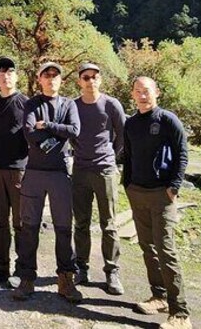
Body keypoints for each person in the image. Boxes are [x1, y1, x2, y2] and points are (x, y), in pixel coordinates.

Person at [123, 76, 191, 329]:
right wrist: (127, 183)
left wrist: (174, 187)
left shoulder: (167, 119)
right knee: (148, 248)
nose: (142, 95)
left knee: (166, 250)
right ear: (133, 94)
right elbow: (128, 155)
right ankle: (159, 296)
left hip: (162, 194)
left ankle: (180, 314)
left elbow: (182, 153)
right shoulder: (131, 123)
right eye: (138, 91)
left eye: (147, 91)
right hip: (137, 192)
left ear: (157, 93)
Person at [13, 62, 82, 303]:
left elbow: (74, 130)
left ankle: (66, 278)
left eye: (55, 75)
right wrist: (57, 133)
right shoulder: (32, 104)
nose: (51, 78)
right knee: (29, 227)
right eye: (47, 75)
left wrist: (48, 126)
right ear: (39, 79)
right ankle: (27, 278)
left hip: (60, 173)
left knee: (63, 228)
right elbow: (29, 133)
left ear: (61, 80)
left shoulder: (69, 104)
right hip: (34, 172)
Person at [71, 62, 126, 295]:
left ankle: (112, 271)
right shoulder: (73, 106)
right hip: (80, 170)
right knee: (81, 222)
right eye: (86, 77)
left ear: (100, 80)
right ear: (79, 81)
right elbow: (71, 134)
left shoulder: (111, 104)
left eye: (94, 77)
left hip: (105, 170)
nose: (90, 81)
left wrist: (110, 155)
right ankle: (81, 267)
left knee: (109, 224)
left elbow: (122, 135)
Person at [0, 57, 29, 289]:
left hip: (19, 169)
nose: (6, 76)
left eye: (10, 71)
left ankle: (22, 269)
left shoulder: (26, 103)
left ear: (16, 76)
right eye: (1, 72)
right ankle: (0, 267)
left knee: (20, 222)